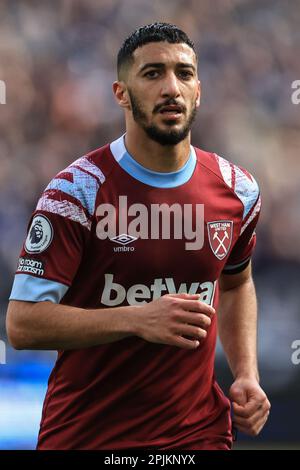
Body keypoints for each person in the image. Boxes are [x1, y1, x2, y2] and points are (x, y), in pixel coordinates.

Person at [6, 22, 270, 450]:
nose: (171, 87)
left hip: (197, 435)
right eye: (152, 74)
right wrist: (137, 318)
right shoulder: (78, 190)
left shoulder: (238, 190)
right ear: (121, 94)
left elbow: (237, 281)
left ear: (198, 89)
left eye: (184, 74)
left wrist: (246, 374)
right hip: (88, 437)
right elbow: (23, 324)